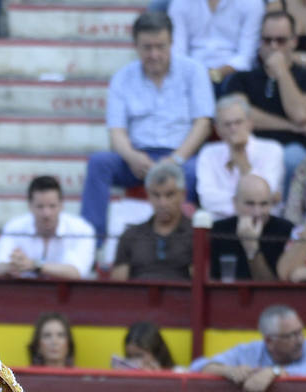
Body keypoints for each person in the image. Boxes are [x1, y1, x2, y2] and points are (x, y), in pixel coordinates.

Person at [81, 10, 213, 243]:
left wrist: (176, 159)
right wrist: (131, 156)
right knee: (99, 163)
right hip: (136, 158)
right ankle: (91, 243)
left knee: (194, 172)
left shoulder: (194, 71)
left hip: (180, 157)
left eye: (160, 46)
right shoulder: (122, 77)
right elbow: (116, 131)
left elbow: (203, 123)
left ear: (172, 42)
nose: (154, 54)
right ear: (136, 46)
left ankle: (182, 245)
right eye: (147, 47)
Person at [219, 10, 306, 189]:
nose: (274, 46)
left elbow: (301, 115)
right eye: (267, 40)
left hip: (291, 147)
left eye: (281, 40)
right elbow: (241, 116)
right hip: (250, 146)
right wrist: (290, 126)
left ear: (294, 41)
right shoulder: (241, 79)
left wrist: (282, 71)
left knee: (293, 158)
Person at [189, 304, 306, 392]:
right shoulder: (248, 351)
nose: (299, 340)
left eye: (300, 332)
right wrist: (228, 371)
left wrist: (273, 372)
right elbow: (197, 366)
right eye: (290, 336)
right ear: (269, 341)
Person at [195, 93, 283, 218]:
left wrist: (240, 158)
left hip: (263, 223)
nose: (233, 128)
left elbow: (265, 196)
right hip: (222, 225)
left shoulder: (272, 150)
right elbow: (207, 200)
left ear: (250, 123)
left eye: (238, 122)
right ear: (217, 129)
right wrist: (248, 204)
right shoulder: (208, 153)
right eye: (227, 124)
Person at [0, 175, 96, 280]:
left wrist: (35, 265)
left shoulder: (82, 229)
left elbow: (78, 272)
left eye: (52, 206)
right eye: (40, 206)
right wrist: (13, 265)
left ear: (61, 205)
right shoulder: (14, 227)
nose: (46, 214)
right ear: (29, 206)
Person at [111, 159, 194, 281]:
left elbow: (201, 285)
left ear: (183, 195)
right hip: (138, 299)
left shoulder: (196, 235)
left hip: (181, 299)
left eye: (169, 195)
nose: (162, 203)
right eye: (156, 195)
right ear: (148, 196)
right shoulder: (130, 235)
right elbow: (119, 289)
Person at [208, 173, 293, 279]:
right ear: (235, 203)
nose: (257, 212)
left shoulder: (286, 230)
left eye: (264, 204)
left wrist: (252, 248)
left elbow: (271, 290)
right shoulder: (217, 231)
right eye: (250, 204)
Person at [167, 0, 263, 86]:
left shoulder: (252, 3)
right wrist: (197, 75)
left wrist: (214, 75)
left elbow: (246, 56)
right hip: (190, 72)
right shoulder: (180, 3)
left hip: (234, 74)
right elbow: (178, 52)